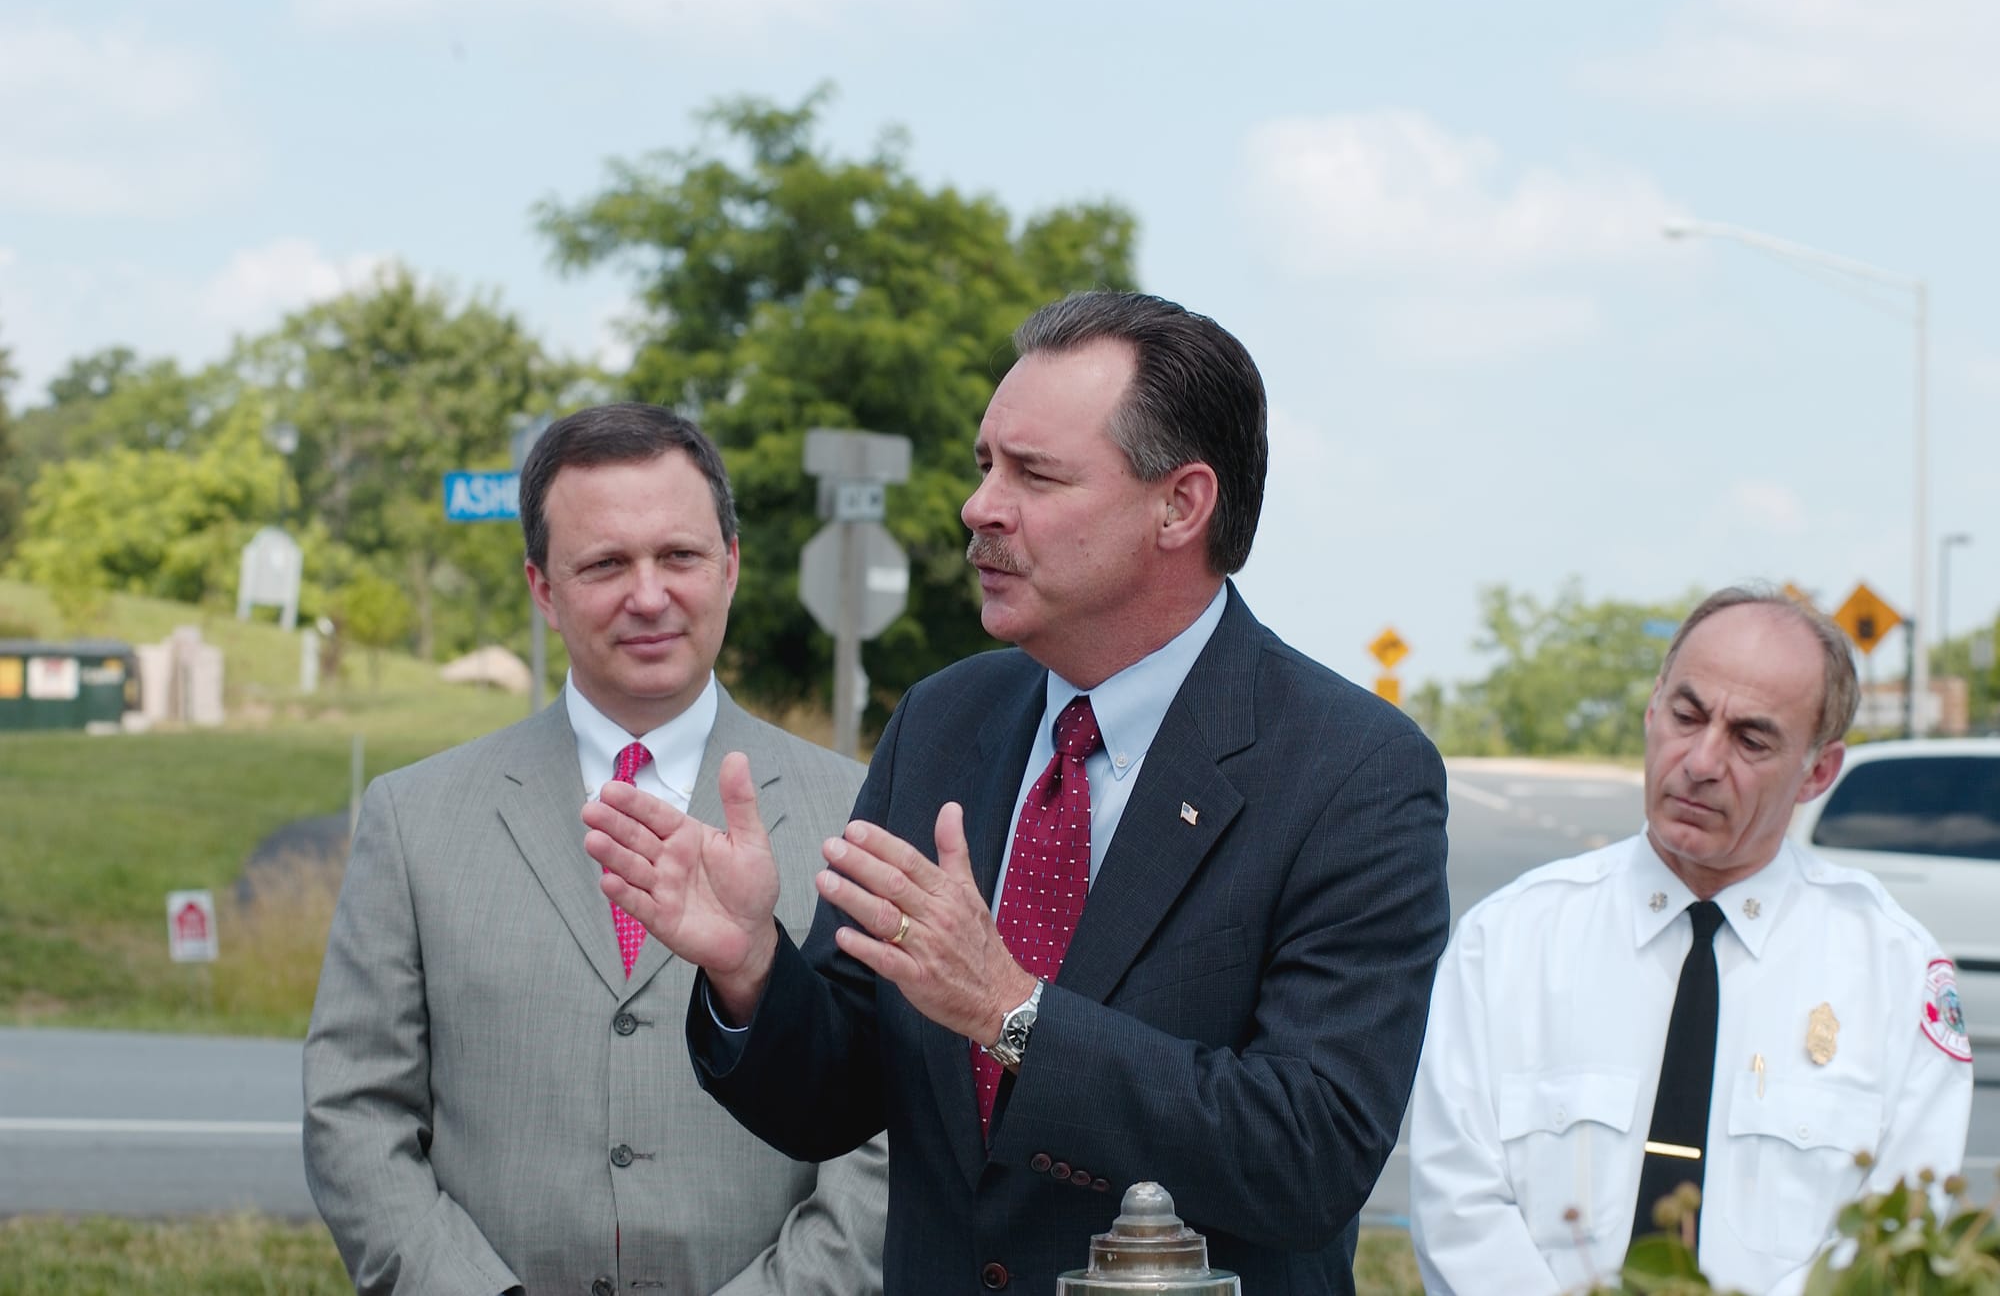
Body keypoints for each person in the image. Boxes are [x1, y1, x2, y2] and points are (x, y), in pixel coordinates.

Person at [585, 291, 1452, 1294]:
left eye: (1033, 475)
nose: (979, 506)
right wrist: (750, 968)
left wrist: (1011, 1012)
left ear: (1179, 505)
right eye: (983, 466)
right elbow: (834, 1096)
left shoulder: (1351, 769)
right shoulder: (946, 720)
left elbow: (1309, 1156)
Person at [303, 404, 887, 1296]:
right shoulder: (412, 818)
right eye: (606, 563)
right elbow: (354, 1111)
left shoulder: (860, 812)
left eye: (679, 556)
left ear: (730, 565)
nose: (648, 595)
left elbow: (889, 1132)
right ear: (543, 586)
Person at [1410, 586, 1974, 1295]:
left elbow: (1891, 1245)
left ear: (1820, 770)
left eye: (1751, 738)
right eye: (1687, 714)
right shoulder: (1510, 942)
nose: (1702, 760)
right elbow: (1459, 1208)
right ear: (1651, 709)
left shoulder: (1891, 971)